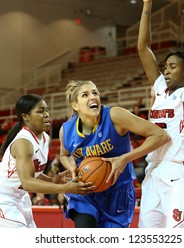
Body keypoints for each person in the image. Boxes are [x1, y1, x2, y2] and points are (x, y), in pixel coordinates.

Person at [137, 0, 184, 227]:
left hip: (179, 171)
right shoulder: (160, 89)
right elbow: (143, 48)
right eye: (165, 66)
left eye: (173, 66)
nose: (166, 69)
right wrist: (146, 5)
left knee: (178, 238)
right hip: (154, 172)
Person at [59, 80, 170, 228]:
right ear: (75, 105)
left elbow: (161, 136)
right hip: (86, 190)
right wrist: (72, 167)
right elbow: (64, 155)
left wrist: (125, 158)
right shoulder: (66, 130)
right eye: (85, 95)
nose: (93, 97)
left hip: (118, 192)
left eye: (95, 93)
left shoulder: (114, 116)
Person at [0, 94, 94, 228]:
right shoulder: (23, 142)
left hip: (19, 197)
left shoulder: (44, 137)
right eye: (40, 111)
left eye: (46, 110)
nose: (46, 114)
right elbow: (27, 182)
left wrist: (53, 180)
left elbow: (33, 173)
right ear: (26, 117)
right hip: (4, 197)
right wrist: (63, 188)